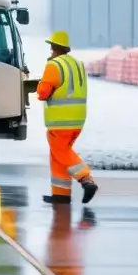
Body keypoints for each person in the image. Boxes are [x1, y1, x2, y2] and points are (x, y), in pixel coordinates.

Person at [35, 31, 98, 205]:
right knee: (58, 154)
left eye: (51, 48)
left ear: (54, 48)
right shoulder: (77, 64)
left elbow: (43, 92)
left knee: (61, 151)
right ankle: (60, 195)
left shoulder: (54, 65)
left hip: (60, 121)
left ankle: (86, 180)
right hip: (77, 120)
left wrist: (40, 84)